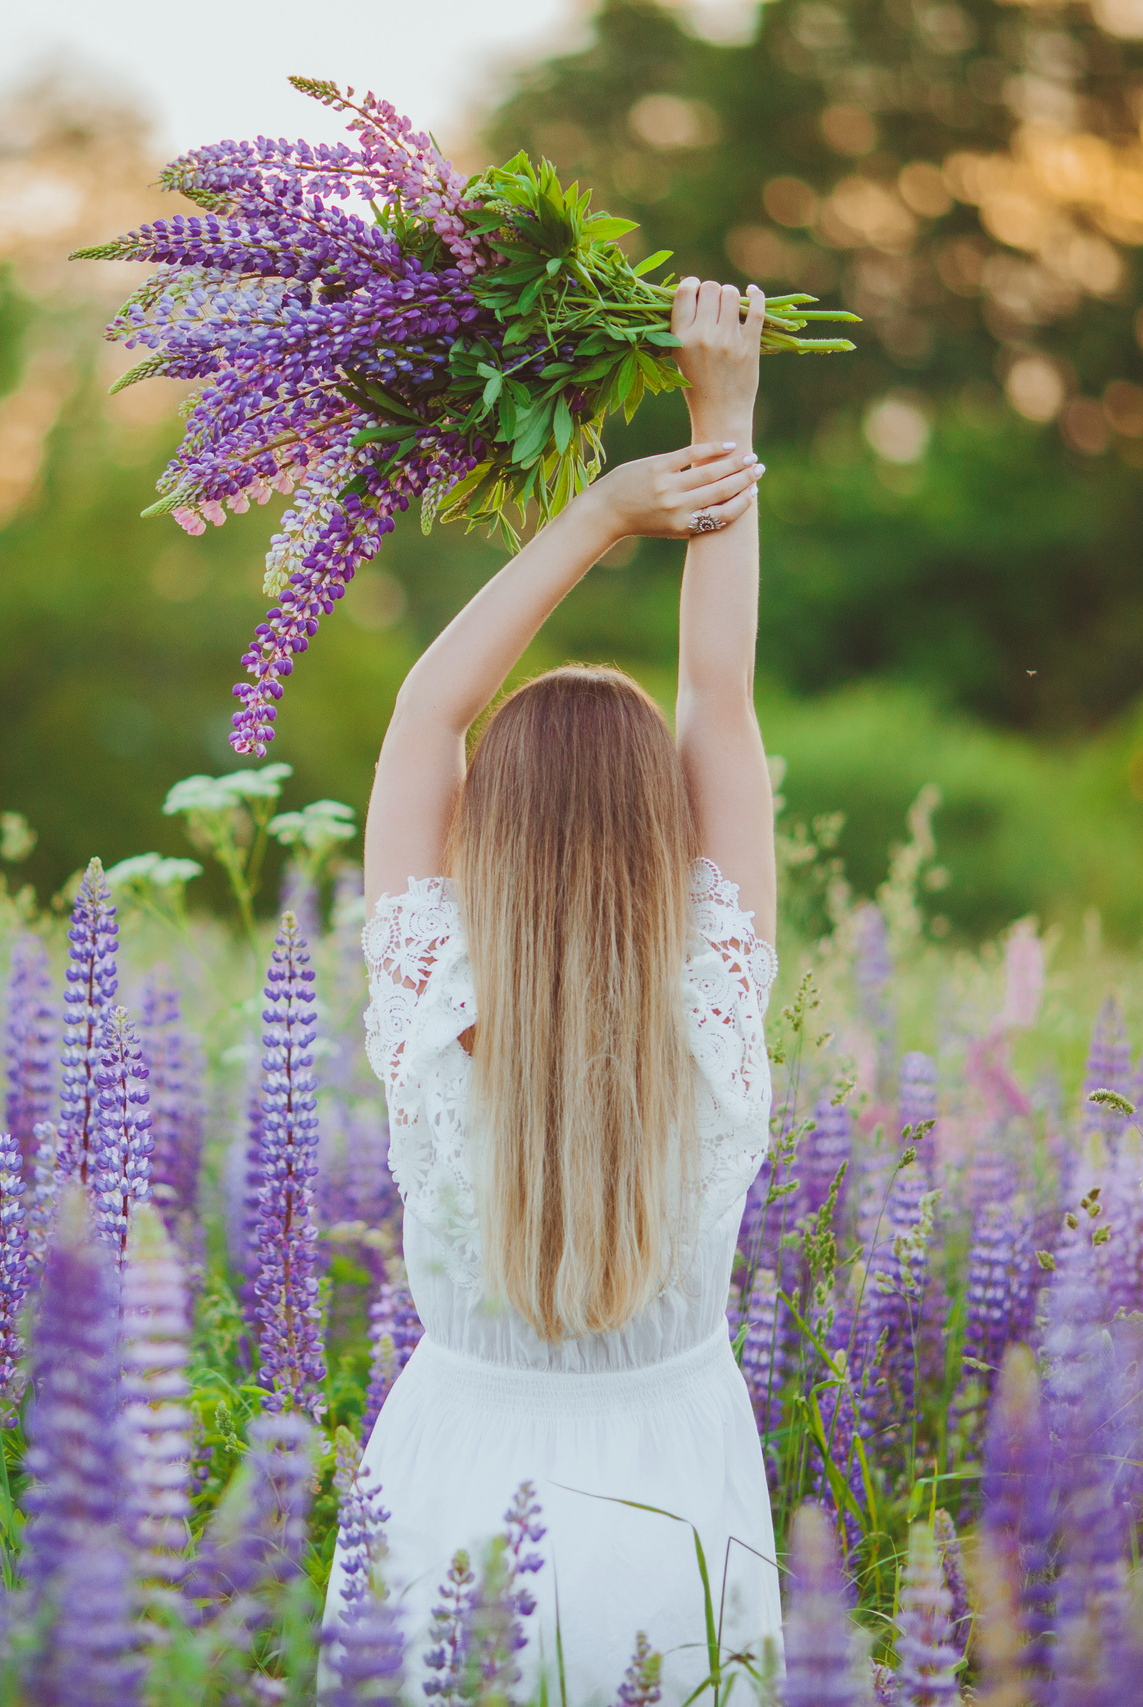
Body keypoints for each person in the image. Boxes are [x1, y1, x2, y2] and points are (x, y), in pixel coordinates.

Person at [338, 276, 782, 1704]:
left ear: (485, 836)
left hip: (451, 1492)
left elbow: (425, 712)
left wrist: (596, 516)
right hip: (679, 1509)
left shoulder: (429, 1001)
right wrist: (726, 411)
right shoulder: (710, 999)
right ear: (671, 838)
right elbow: (719, 694)